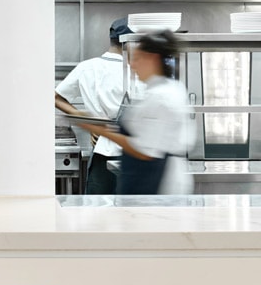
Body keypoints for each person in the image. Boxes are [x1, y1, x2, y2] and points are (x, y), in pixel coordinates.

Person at [77, 30, 192, 195]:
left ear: (152, 58)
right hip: (149, 178)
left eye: (137, 58)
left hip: (158, 184)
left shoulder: (161, 97)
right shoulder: (164, 89)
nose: (132, 65)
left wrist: (98, 129)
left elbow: (142, 150)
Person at [54, 18, 132, 194]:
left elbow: (56, 97)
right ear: (129, 43)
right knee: (132, 213)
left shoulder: (87, 67)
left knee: (97, 213)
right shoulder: (135, 71)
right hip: (131, 154)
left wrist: (90, 121)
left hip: (102, 151)